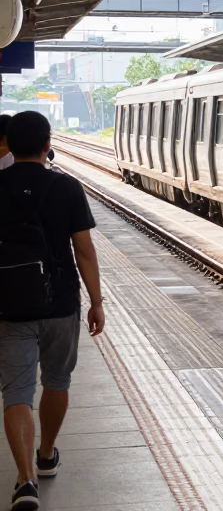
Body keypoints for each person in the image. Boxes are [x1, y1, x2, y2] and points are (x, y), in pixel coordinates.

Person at [0, 111, 105, 511]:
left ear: (8, 142)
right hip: (61, 301)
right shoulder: (66, 187)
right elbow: (85, 251)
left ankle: (25, 481)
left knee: (17, 393)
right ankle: (46, 454)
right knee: (57, 381)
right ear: (47, 144)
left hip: (9, 305)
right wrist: (96, 302)